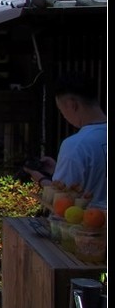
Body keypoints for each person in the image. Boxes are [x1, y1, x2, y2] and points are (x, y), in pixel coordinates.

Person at [28, 73, 107, 208]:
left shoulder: (76, 145)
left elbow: (62, 200)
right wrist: (57, 169)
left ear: (72, 105)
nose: (64, 116)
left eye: (61, 110)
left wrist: (41, 179)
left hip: (88, 219)